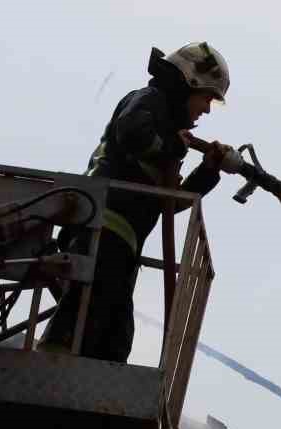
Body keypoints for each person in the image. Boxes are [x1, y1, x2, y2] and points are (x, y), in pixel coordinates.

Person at [42, 43, 239, 362]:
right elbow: (131, 132)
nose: (206, 109)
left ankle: (95, 384)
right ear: (189, 82)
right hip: (101, 227)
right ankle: (51, 366)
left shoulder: (166, 131)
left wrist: (207, 171)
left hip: (121, 243)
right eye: (207, 97)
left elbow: (169, 204)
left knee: (116, 337)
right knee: (86, 311)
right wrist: (174, 147)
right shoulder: (149, 101)